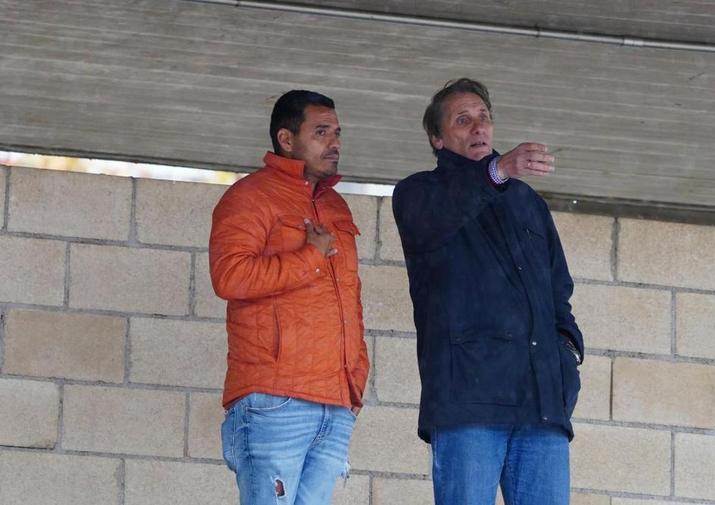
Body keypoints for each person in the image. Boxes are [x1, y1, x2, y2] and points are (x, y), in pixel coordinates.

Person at [392, 78, 583, 505]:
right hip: (468, 404)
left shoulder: (528, 202)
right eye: (463, 120)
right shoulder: (418, 193)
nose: (478, 127)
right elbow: (434, 223)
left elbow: (559, 292)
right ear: (438, 138)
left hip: (541, 404)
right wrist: (495, 173)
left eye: (483, 118)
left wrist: (566, 357)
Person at [209, 90, 369, 505]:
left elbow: (349, 300)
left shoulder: (335, 206)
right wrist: (310, 257)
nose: (334, 143)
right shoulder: (250, 196)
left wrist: (355, 380)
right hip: (275, 398)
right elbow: (229, 277)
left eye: (337, 133)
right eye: (320, 132)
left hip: (334, 403)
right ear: (286, 139)